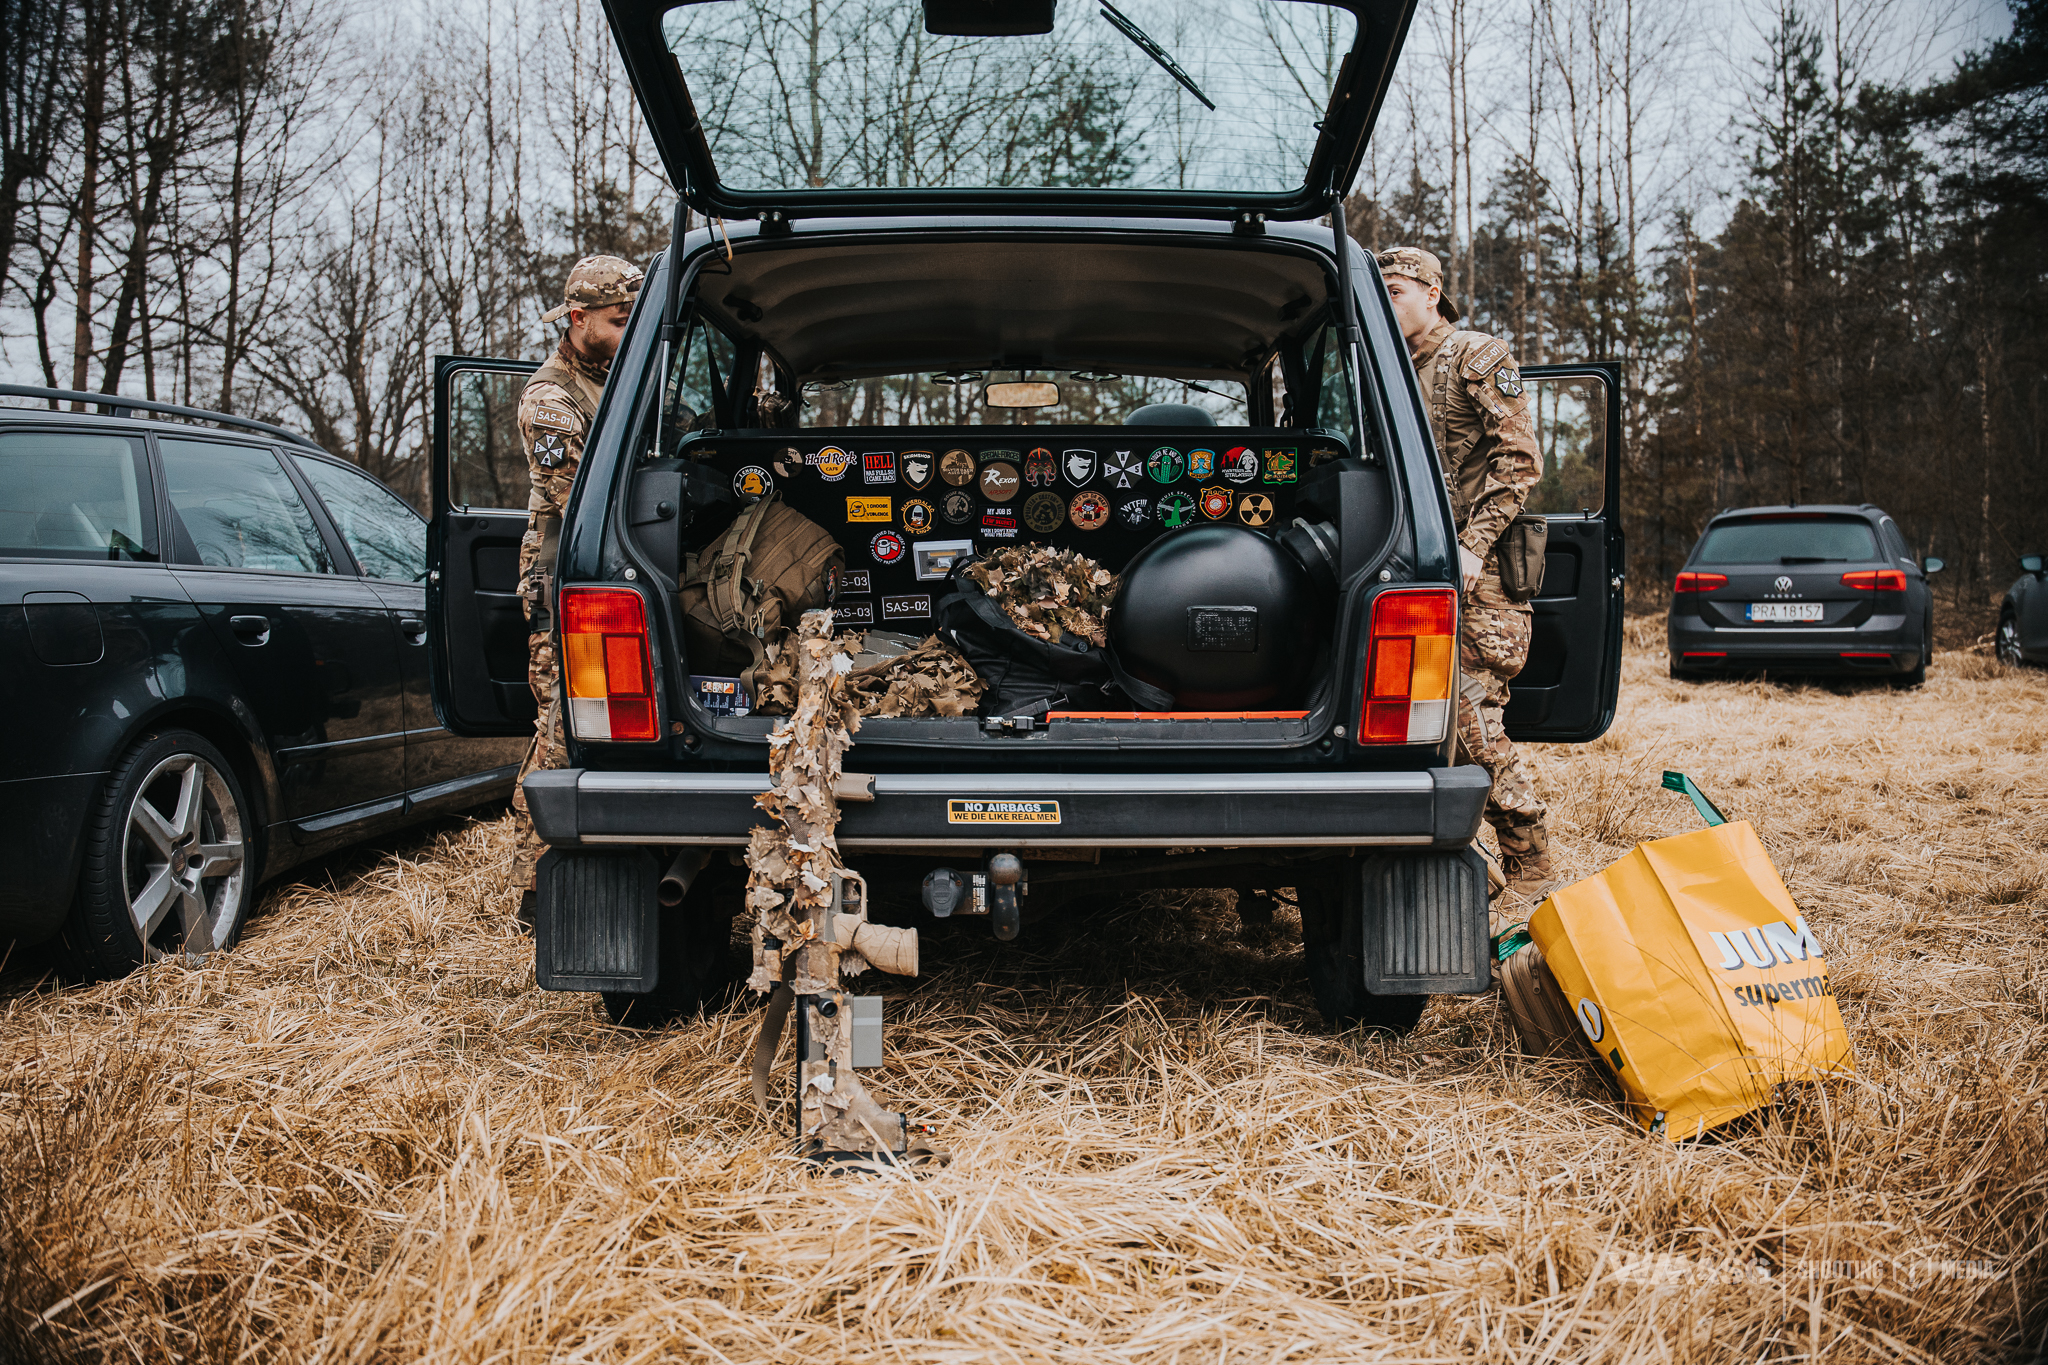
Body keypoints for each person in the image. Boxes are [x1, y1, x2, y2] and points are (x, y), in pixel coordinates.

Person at [1377, 246, 1553, 897]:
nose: (1387, 300)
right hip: (1418, 573)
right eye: (1379, 290)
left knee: (1469, 716)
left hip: (1484, 582)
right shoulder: (1389, 372)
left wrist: (1473, 546)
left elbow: (1520, 461)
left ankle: (1531, 861)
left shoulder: (1475, 355)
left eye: (1396, 289)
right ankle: (1465, 867)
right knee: (1414, 721)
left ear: (1433, 294)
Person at [511, 255, 644, 905]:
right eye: (618, 321)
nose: (626, 332)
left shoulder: (620, 377)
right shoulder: (551, 401)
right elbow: (584, 506)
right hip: (565, 579)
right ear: (577, 317)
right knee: (560, 735)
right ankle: (534, 885)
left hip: (606, 570)